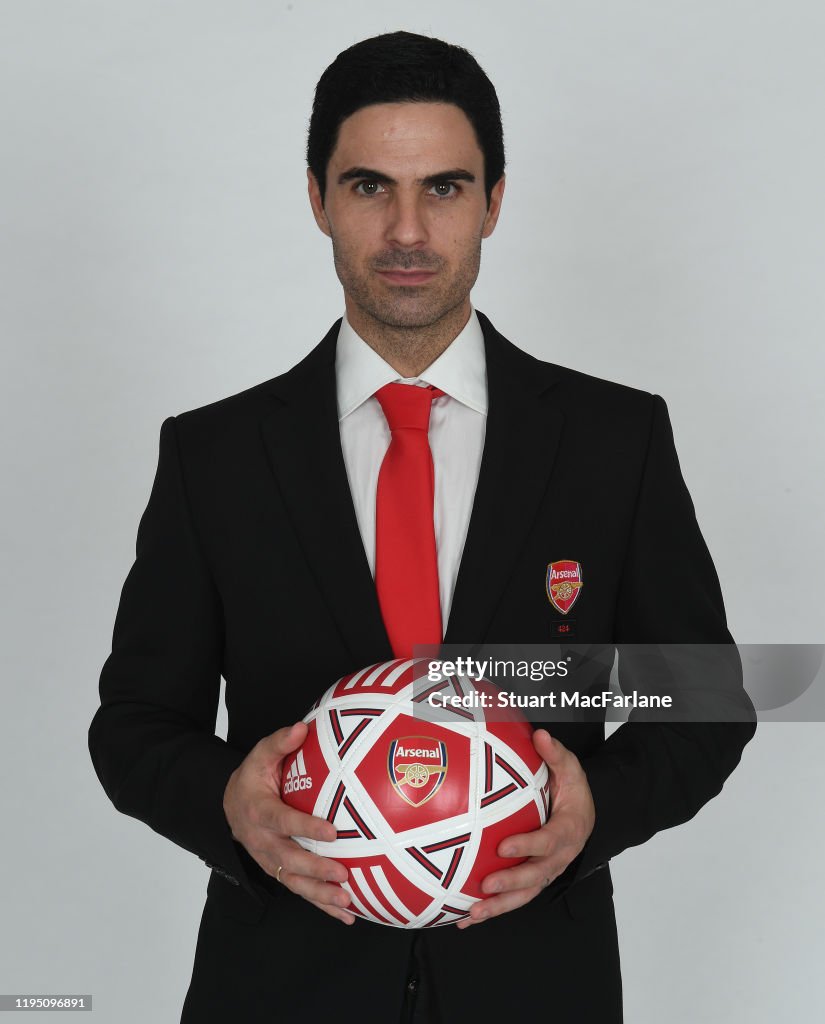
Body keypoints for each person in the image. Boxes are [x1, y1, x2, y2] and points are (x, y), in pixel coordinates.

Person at [89, 31, 756, 1024]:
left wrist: (595, 811)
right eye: (369, 188)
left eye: (443, 188)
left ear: (493, 199)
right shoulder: (214, 457)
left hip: (535, 988)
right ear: (317, 197)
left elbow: (706, 696)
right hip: (277, 989)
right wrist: (227, 798)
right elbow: (134, 723)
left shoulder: (615, 441)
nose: (408, 231)